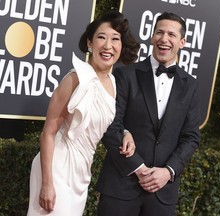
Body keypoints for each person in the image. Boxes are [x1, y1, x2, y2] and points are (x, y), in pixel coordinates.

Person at [27, 11, 140, 215]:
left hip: (82, 174)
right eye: (101, 37)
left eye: (115, 39)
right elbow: (48, 133)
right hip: (57, 168)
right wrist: (47, 183)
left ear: (121, 46)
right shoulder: (75, 78)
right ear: (89, 43)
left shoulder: (112, 83)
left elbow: (99, 124)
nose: (108, 46)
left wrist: (125, 133)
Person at [96, 12, 200, 216]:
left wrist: (168, 171)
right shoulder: (125, 74)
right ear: (152, 37)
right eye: (159, 32)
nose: (164, 39)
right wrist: (140, 168)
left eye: (171, 34)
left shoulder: (191, 85)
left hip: (162, 193)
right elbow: (110, 125)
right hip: (121, 184)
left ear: (182, 42)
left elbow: (191, 137)